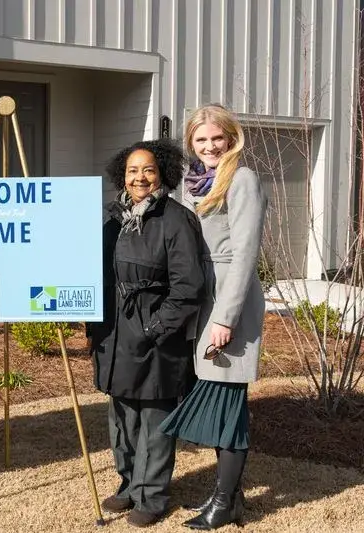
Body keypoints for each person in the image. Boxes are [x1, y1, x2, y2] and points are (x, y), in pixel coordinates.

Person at [160, 104, 267, 530]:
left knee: (227, 403)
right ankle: (231, 499)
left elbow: (244, 254)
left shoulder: (241, 179)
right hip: (200, 297)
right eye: (201, 140)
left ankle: (224, 504)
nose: (209, 147)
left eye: (216, 138)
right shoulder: (192, 182)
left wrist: (226, 318)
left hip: (228, 300)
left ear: (231, 138)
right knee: (219, 399)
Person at [86, 139, 204, 528]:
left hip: (155, 339)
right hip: (113, 336)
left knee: (154, 420)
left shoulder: (176, 220)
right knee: (122, 419)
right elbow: (94, 273)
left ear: (162, 174)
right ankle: (127, 485)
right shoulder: (112, 219)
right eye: (133, 170)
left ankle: (151, 496)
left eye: (148, 170)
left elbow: (188, 287)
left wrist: (154, 328)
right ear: (123, 175)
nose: (140, 177)